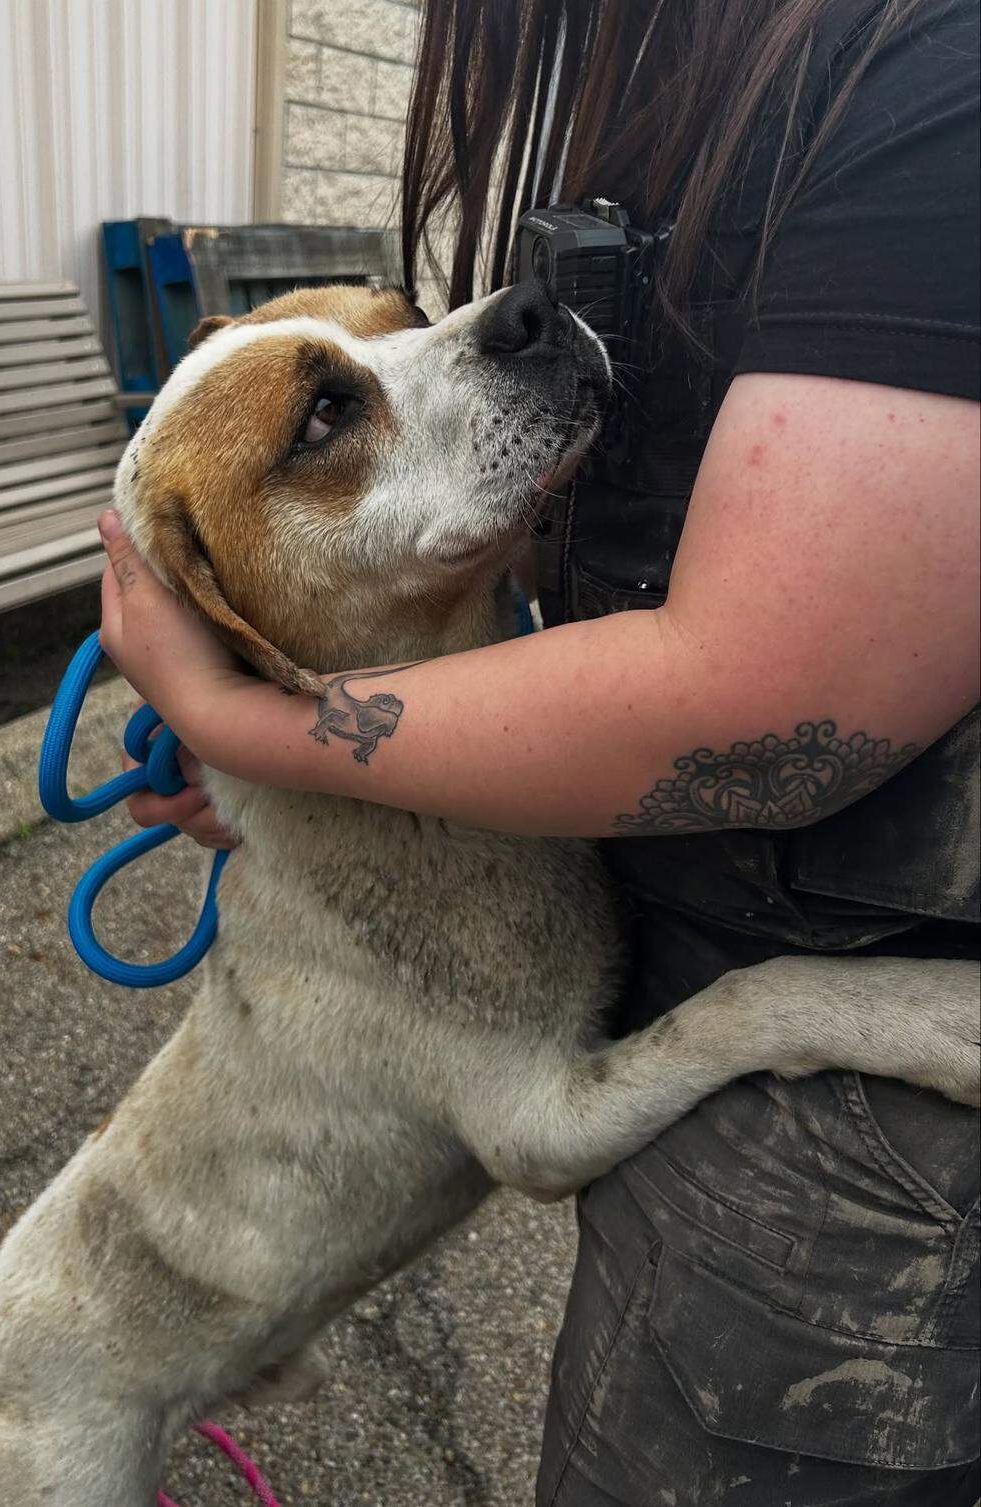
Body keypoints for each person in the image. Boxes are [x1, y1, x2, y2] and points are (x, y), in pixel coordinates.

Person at [97, 0, 980, 1499]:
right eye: (331, 418)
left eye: (384, 332)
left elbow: (753, 699)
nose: (483, 326)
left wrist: (240, 720)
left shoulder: (918, 67)